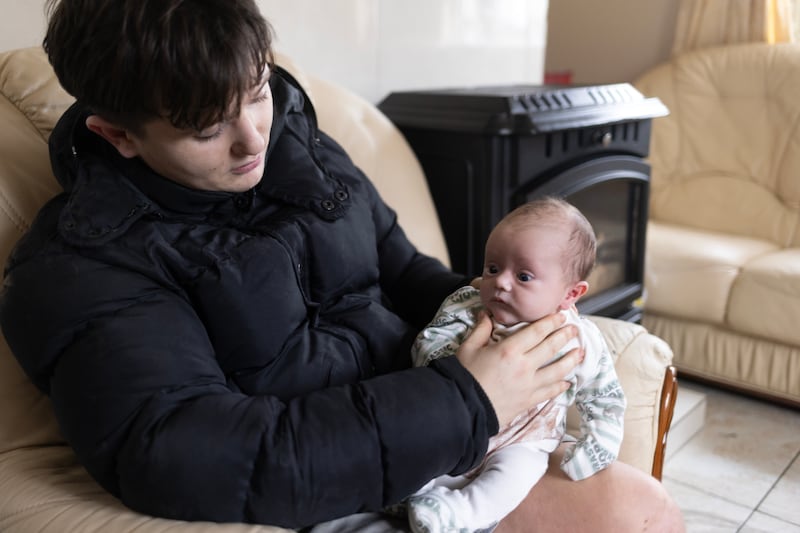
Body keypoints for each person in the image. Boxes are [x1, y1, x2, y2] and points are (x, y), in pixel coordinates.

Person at [0, 0, 683, 531]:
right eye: (207, 129)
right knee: (638, 513)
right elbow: (186, 452)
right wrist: (467, 399)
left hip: (429, 419)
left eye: (258, 90)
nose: (252, 138)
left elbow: (404, 270)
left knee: (644, 504)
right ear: (117, 135)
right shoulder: (84, 263)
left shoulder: (300, 144)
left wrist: (506, 321)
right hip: (334, 475)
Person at [405, 198, 625, 533]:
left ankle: (458, 514)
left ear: (570, 294)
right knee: (419, 443)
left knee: (516, 476)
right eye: (492, 268)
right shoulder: (468, 307)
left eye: (523, 276)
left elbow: (605, 396)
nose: (501, 283)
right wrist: (458, 356)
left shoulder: (579, 339)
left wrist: (598, 445)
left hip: (526, 439)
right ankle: (408, 494)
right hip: (458, 422)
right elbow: (425, 346)